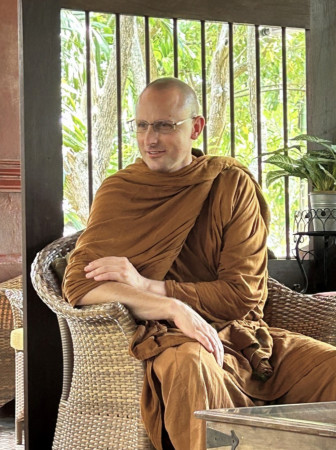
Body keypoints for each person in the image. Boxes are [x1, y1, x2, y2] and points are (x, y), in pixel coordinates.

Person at [63, 77, 336, 450]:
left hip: (245, 337)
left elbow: (241, 296)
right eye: (142, 125)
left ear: (196, 127)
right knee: (190, 367)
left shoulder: (230, 185)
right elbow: (80, 285)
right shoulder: (120, 191)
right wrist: (172, 308)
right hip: (169, 338)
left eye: (164, 125)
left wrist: (147, 285)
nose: (150, 139)